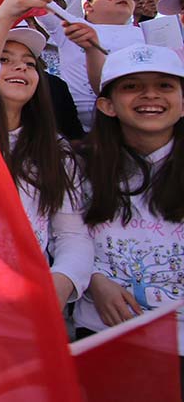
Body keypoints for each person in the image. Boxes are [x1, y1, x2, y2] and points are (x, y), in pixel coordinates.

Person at [0, 0, 97, 310]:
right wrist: (8, 10)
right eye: (4, 60)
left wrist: (63, 281)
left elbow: (71, 233)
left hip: (29, 308)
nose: (21, 68)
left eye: (29, 62)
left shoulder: (56, 149)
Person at [75, 44, 184, 395]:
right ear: (106, 105)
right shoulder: (74, 164)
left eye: (165, 85)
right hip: (104, 336)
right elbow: (60, 237)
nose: (150, 94)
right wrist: (91, 279)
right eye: (132, 86)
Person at [7, 0, 144, 132]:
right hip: (79, 130)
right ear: (88, 6)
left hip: (133, 126)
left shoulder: (151, 35)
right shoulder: (71, 27)